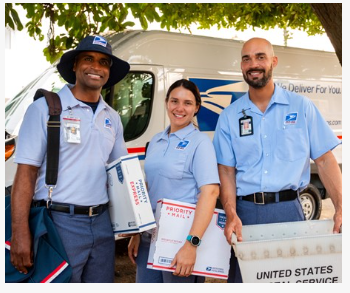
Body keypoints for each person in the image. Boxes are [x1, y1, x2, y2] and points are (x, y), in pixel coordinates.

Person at [212, 37, 342, 283]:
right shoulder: (229, 117)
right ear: (241, 66)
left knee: (290, 281)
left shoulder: (301, 107)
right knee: (245, 281)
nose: (253, 64)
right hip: (245, 215)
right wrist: (231, 213)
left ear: (274, 61)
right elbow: (226, 172)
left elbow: (325, 160)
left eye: (260, 57)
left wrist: (341, 207)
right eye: (246, 58)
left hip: (289, 211)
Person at [10, 35, 130, 282]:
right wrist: (20, 232)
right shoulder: (44, 109)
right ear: (74, 65)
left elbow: (122, 173)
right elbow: (26, 173)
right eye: (88, 59)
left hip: (102, 223)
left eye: (104, 62)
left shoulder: (112, 117)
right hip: (59, 221)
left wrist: (137, 223)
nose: (96, 67)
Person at [124, 79, 220, 283]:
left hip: (180, 242)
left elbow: (210, 193)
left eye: (187, 103)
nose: (180, 108)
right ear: (166, 102)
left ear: (196, 108)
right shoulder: (156, 141)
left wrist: (191, 244)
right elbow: (150, 189)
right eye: (174, 101)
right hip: (149, 239)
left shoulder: (200, 143)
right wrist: (138, 233)